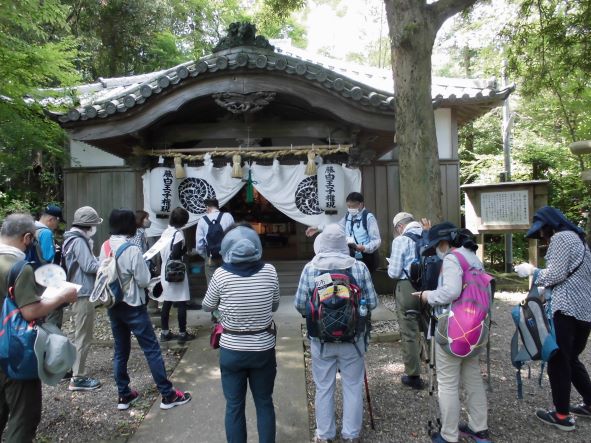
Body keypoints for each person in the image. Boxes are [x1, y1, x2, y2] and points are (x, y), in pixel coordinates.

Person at [295, 223, 378, 443]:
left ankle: (325, 433)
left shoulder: (310, 268)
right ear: (344, 244)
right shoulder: (358, 268)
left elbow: (299, 304)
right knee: (352, 385)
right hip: (353, 340)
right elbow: (372, 302)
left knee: (324, 386)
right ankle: (350, 434)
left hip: (321, 340)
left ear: (321, 243)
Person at [101, 209, 191, 411]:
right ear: (127, 225)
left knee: (120, 350)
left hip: (114, 305)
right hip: (133, 305)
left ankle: (124, 395)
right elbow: (143, 280)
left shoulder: (105, 245)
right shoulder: (131, 249)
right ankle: (168, 395)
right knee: (151, 349)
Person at [0, 213, 78, 442]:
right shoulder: (17, 268)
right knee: (24, 415)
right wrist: (63, 296)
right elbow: (30, 311)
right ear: (26, 238)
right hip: (12, 350)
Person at [514, 206, 591, 432]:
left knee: (558, 360)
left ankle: (561, 415)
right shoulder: (581, 242)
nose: (541, 236)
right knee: (571, 358)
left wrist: (532, 271)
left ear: (549, 225)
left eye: (541, 231)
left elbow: (555, 274)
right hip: (585, 312)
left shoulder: (561, 238)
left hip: (566, 310)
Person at [202, 223, 280, 443]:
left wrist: (223, 308)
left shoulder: (220, 275)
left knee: (234, 406)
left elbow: (207, 306)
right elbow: (274, 305)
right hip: (263, 347)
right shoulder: (269, 271)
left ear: (227, 249)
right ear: (257, 247)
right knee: (264, 402)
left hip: (231, 349)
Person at [416, 222, 491, 443]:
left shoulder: (452, 258)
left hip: (453, 329)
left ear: (445, 242)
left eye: (437, 245)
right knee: (473, 378)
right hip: (475, 328)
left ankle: (449, 435)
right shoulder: (474, 259)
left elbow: (451, 292)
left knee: (447, 383)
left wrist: (426, 295)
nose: (437, 250)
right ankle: (480, 428)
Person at [62, 206, 103, 391]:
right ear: (88, 226)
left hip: (75, 290)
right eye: (93, 225)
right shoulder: (79, 241)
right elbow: (88, 266)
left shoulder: (69, 239)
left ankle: (71, 369)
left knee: (77, 332)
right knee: (83, 336)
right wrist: (104, 263)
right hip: (83, 292)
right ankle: (77, 378)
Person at [386, 211, 426, 389]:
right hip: (431, 288)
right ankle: (441, 370)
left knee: (409, 331)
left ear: (399, 227)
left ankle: (413, 375)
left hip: (408, 287)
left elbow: (394, 272)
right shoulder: (428, 234)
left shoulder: (401, 240)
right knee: (431, 327)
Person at [306, 192, 381, 274]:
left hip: (366, 257)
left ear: (360, 204)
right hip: (350, 256)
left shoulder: (369, 218)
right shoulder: (348, 216)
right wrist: (318, 228)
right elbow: (337, 227)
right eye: (348, 206)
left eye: (352, 206)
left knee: (364, 279)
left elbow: (376, 240)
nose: (350, 209)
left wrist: (364, 248)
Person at [159, 207, 195, 343]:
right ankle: (182, 332)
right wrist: (184, 250)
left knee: (167, 301)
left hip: (165, 270)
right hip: (176, 270)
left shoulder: (165, 232)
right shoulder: (178, 234)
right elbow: (175, 253)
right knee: (181, 301)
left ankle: (165, 332)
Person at [196, 198, 235, 283]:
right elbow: (234, 237)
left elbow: (199, 245)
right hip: (226, 256)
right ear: (218, 207)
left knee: (212, 283)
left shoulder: (202, 220)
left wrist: (206, 255)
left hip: (210, 257)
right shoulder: (228, 216)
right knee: (228, 282)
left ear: (207, 207)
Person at [25, 204, 63, 269]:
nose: (58, 225)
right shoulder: (46, 232)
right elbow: (48, 257)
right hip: (43, 272)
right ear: (51, 219)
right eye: (58, 221)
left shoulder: (32, 228)